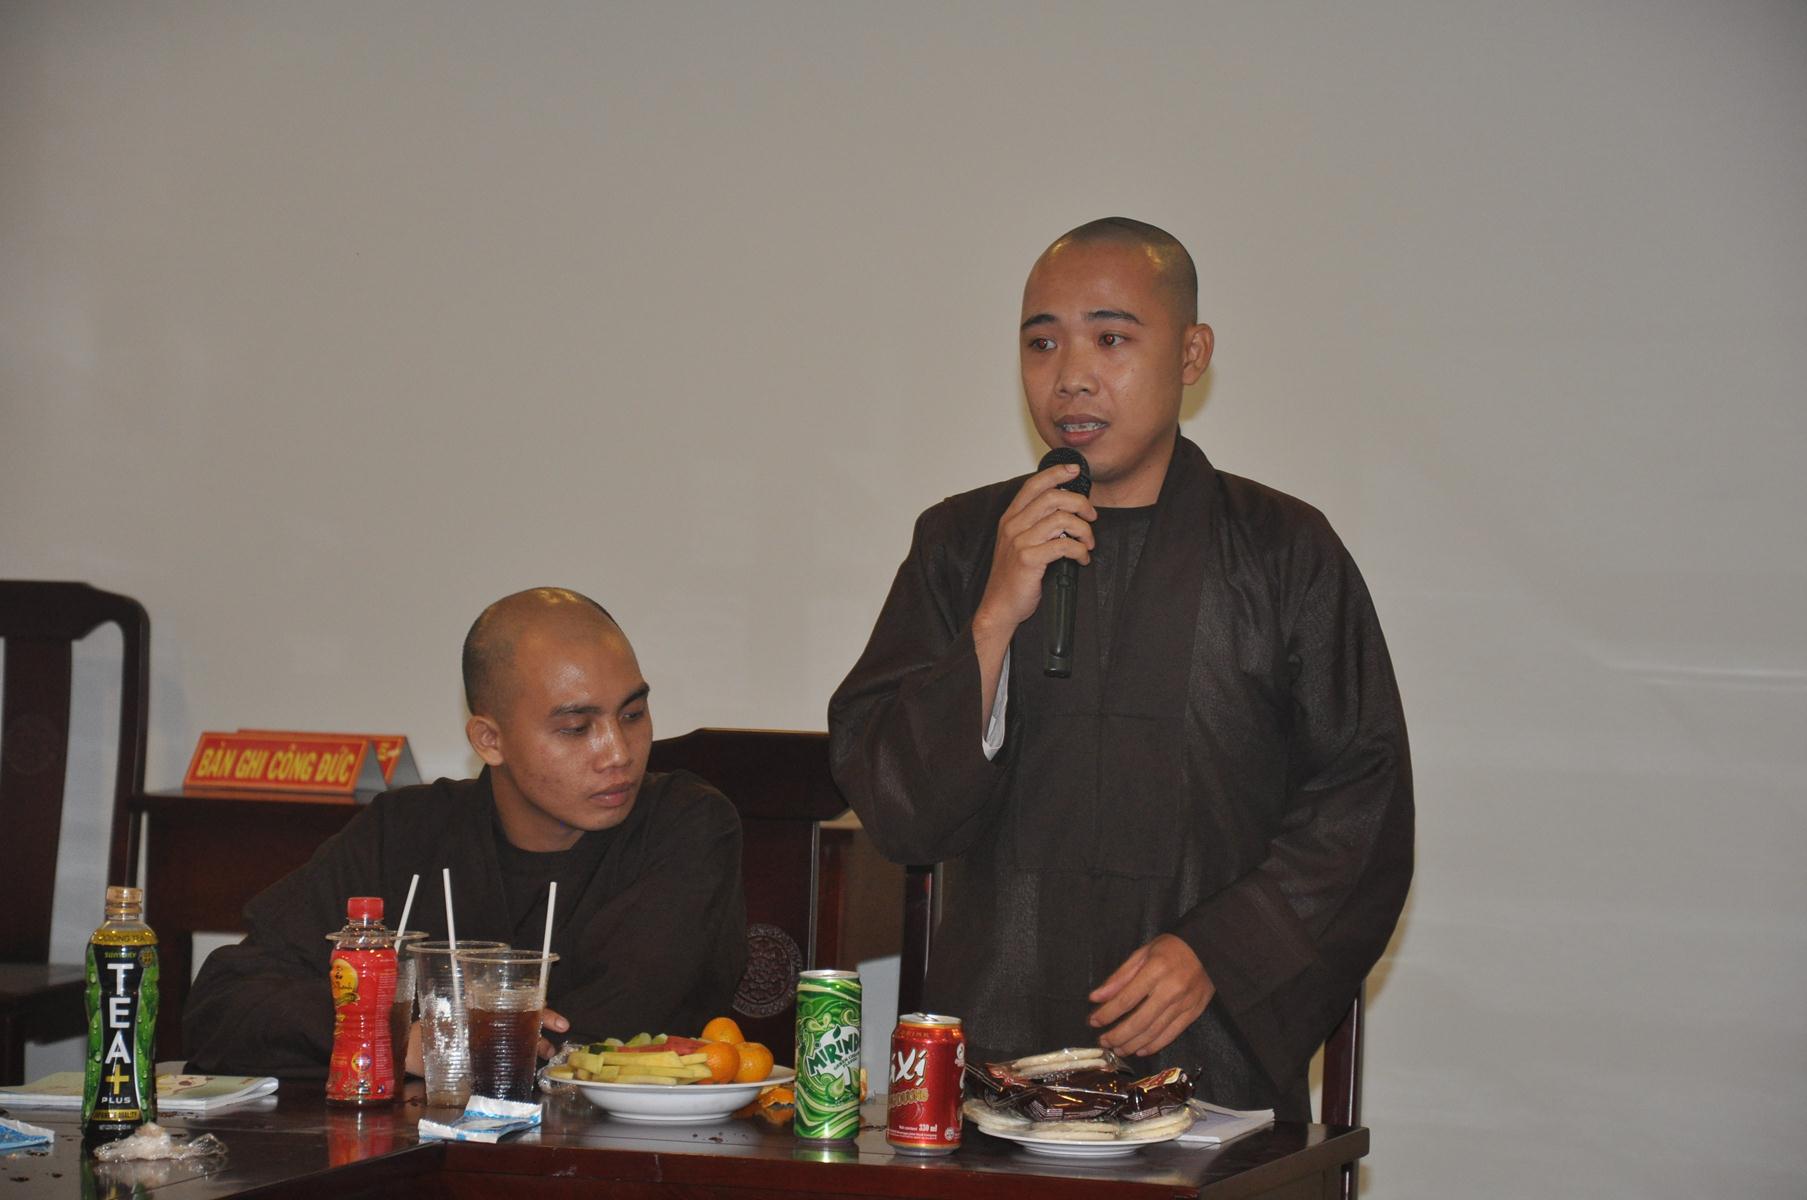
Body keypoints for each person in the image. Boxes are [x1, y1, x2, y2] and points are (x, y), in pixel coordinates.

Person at [827, 218, 1413, 1119]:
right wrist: (994, 616)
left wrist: (1220, 950)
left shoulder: (1282, 551)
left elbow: (1361, 803)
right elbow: (899, 811)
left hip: (1207, 1067)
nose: (1070, 376)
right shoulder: (961, 544)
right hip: (994, 1075)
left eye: (1110, 339)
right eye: (1041, 343)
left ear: (1191, 354)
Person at [185, 587, 747, 1077]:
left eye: (632, 715)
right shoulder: (404, 832)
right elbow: (225, 1003)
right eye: (577, 728)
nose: (618, 753)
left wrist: (443, 1035)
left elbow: (598, 1036)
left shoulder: (684, 826)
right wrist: (397, 1037)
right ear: (489, 740)